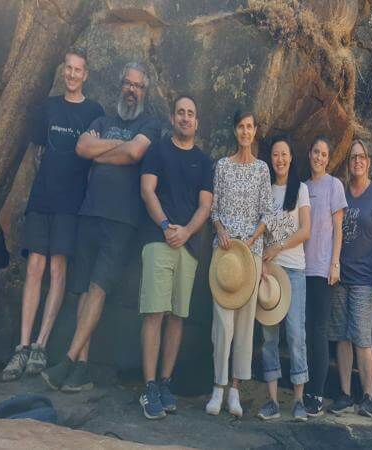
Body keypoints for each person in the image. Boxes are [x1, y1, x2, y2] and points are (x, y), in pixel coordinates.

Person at [41, 62, 161, 392]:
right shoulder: (102, 120)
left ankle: (67, 359)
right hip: (89, 213)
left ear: (144, 92)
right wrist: (117, 149)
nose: (131, 89)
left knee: (98, 288)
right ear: (120, 86)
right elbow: (82, 148)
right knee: (81, 287)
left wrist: (103, 151)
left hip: (121, 220)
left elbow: (136, 152)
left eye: (137, 85)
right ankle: (80, 369)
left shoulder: (151, 124)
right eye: (127, 83)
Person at [1, 47, 104, 382]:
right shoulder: (48, 107)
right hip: (41, 198)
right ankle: (22, 346)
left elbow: (94, 160)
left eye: (79, 70)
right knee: (34, 266)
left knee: (58, 268)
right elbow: (36, 151)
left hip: (71, 204)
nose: (73, 74)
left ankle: (41, 347)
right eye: (69, 69)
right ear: (64, 71)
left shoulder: (93, 111)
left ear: (86, 74)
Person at [137, 95, 213, 419]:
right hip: (158, 240)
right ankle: (149, 386)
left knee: (178, 316)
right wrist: (167, 226)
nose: (185, 118)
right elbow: (147, 190)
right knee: (155, 311)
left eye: (191, 114)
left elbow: (205, 205)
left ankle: (166, 381)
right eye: (180, 112)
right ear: (173, 118)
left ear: (197, 122)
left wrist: (186, 233)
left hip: (189, 247)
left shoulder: (204, 161)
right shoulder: (158, 150)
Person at [206, 111, 274, 417]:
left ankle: (235, 388)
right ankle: (217, 387)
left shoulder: (262, 169)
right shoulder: (222, 166)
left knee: (246, 325)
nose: (245, 132)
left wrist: (251, 241)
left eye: (250, 127)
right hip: (224, 254)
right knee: (222, 323)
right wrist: (220, 230)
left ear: (255, 131)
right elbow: (214, 209)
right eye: (241, 127)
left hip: (252, 253)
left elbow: (267, 213)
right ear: (235, 131)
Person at [327, 140, 372, 418]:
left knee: (362, 339)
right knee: (342, 336)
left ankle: (368, 396)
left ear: (368, 161)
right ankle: (344, 393)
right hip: (340, 277)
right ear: (349, 162)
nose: (357, 160)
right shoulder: (341, 193)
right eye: (353, 156)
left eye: (362, 156)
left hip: (367, 279)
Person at [256, 136, 311, 422]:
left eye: (284, 154)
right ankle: (273, 400)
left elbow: (305, 231)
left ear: (291, 158)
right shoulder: (265, 192)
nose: (280, 159)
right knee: (269, 336)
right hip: (269, 273)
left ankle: (299, 400)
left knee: (295, 334)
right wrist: (263, 261)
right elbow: (259, 233)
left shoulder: (299, 190)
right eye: (275, 154)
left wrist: (277, 247)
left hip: (293, 269)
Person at [303, 135, 347, 416]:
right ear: (309, 154)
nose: (319, 157)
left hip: (322, 270)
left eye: (324, 154)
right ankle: (302, 387)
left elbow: (338, 228)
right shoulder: (303, 188)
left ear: (328, 159)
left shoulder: (334, 185)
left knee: (318, 331)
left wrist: (335, 263)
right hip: (300, 269)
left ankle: (316, 392)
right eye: (315, 152)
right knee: (303, 331)